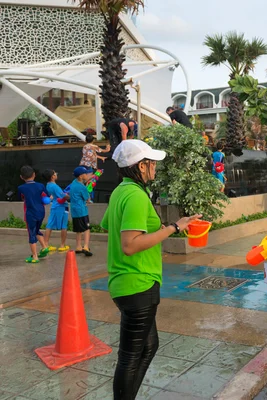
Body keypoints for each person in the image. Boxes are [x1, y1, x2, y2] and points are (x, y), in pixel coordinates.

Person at [100, 139, 200, 399]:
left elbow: (106, 224)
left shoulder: (122, 191)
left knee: (148, 346)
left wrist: (169, 225)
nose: (155, 166)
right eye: (151, 162)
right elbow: (130, 245)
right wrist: (172, 228)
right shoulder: (134, 195)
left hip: (130, 282)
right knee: (131, 356)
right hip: (137, 283)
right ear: (140, 167)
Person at [17, 166, 50, 263]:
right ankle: (44, 247)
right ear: (34, 175)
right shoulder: (40, 186)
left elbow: (21, 198)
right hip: (41, 212)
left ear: (21, 177)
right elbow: (47, 196)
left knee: (31, 233)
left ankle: (35, 256)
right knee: (36, 231)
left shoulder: (21, 188)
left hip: (31, 213)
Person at [42, 169, 70, 252]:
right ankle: (62, 245)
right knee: (64, 225)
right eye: (55, 174)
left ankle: (46, 244)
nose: (56, 174)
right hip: (61, 207)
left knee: (49, 224)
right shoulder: (55, 186)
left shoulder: (48, 185)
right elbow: (64, 196)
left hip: (54, 206)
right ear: (52, 177)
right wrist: (71, 195)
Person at [70, 166, 94, 256]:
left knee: (78, 230)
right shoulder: (82, 187)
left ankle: (78, 246)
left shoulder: (74, 183)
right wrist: (88, 188)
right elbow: (87, 198)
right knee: (87, 229)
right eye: (85, 173)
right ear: (80, 176)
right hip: (82, 211)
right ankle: (86, 247)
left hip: (74, 211)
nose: (87, 174)